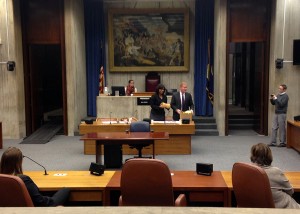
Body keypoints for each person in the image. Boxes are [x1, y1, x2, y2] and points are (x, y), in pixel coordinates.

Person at [0, 147, 70, 207]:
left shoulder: (2, 178)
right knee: (65, 190)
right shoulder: (23, 180)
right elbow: (40, 201)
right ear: (18, 162)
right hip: (39, 208)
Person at [250, 143, 300, 209]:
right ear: (269, 156)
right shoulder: (276, 172)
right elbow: (290, 191)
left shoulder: (247, 171)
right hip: (283, 208)